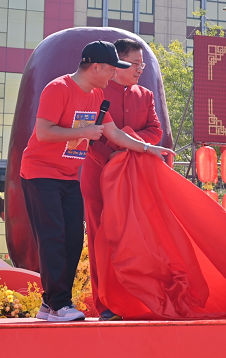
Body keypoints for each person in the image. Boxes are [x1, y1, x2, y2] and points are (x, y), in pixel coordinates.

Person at [20, 41, 173, 322]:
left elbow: (114, 134)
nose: (113, 75)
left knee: (72, 240)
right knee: (53, 238)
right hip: (40, 174)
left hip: (69, 176)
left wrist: (148, 148)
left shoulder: (97, 95)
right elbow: (43, 132)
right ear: (95, 67)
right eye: (112, 69)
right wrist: (85, 131)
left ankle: (49, 305)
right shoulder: (58, 89)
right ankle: (60, 304)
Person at [80, 38, 163, 322]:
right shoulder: (96, 93)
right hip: (98, 174)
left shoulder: (145, 96)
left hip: (133, 178)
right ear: (117, 65)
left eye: (143, 64)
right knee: (100, 240)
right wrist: (114, 153)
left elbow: (155, 131)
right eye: (135, 63)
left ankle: (137, 301)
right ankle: (105, 304)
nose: (140, 69)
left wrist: (127, 142)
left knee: (137, 239)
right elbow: (90, 137)